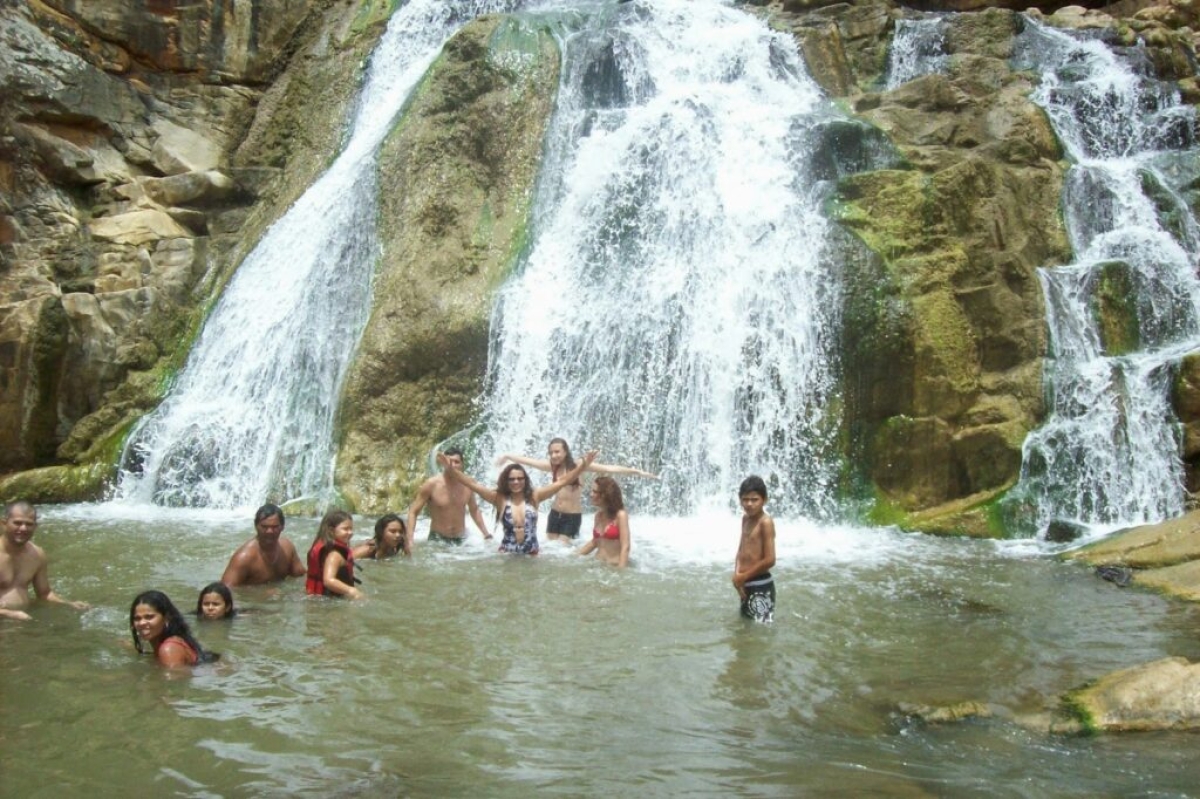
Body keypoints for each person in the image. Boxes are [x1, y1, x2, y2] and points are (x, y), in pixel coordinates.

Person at [438, 449, 597, 555]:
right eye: (512, 479)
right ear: (506, 481)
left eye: (520, 478)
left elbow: (562, 482)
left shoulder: (535, 496)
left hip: (532, 554)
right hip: (507, 554)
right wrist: (450, 469)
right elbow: (472, 484)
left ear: (525, 480)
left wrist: (583, 465)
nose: (516, 482)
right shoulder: (498, 498)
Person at [497, 438, 656, 542]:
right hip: (554, 514)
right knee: (552, 551)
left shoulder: (580, 465)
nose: (554, 455)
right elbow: (530, 462)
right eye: (551, 452)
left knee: (563, 553)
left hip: (571, 516)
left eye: (557, 451)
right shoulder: (552, 467)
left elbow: (608, 468)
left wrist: (637, 472)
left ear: (566, 451)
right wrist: (508, 456)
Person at [0, 500, 89, 621]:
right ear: (4, 523)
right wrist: (8, 614)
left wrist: (68, 604)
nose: (23, 528)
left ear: (35, 526)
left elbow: (44, 593)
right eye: (17, 523)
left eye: (29, 524)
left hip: (23, 619)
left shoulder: (37, 554)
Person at [405, 447, 492, 549]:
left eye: (457, 462)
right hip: (437, 540)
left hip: (462, 540)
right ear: (443, 463)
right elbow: (413, 511)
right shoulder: (432, 484)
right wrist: (409, 539)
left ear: (462, 464)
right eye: (449, 461)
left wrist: (486, 534)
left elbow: (474, 510)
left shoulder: (468, 484)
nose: (453, 465)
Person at [220, 503, 305, 587]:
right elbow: (225, 593)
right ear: (256, 526)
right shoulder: (244, 558)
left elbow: (301, 576)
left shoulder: (287, 548)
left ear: (282, 527)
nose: (269, 531)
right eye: (264, 527)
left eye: (275, 527)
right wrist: (261, 594)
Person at [130, 590, 218, 667]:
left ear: (167, 618)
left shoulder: (169, 649)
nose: (141, 623)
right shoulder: (172, 640)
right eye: (137, 618)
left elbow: (173, 684)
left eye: (149, 617)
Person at [732, 476, 776, 623]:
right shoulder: (745, 519)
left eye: (754, 499)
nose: (749, 504)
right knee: (746, 625)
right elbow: (741, 549)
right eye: (745, 499)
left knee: (762, 628)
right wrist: (737, 575)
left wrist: (743, 577)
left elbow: (770, 560)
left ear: (765, 500)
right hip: (745, 584)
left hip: (760, 584)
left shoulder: (766, 522)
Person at [305, 510, 363, 599]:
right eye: (346, 529)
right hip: (329, 601)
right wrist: (351, 591)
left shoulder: (328, 549)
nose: (350, 532)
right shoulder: (334, 555)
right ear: (331, 530)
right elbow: (328, 581)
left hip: (320, 598)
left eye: (351, 528)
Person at [576, 476, 631, 568]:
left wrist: (621, 572)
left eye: (594, 491)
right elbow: (595, 542)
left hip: (614, 566)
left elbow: (626, 546)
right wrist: (575, 555)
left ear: (605, 494)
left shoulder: (621, 515)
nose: (590, 494)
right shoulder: (598, 515)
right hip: (597, 566)